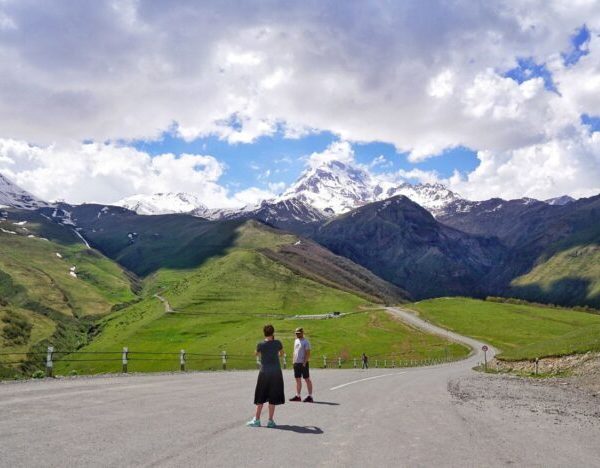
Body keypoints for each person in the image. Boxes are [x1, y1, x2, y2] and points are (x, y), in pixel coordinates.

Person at [247, 324, 285, 428]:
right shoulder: (278, 343)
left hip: (264, 373)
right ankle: (270, 421)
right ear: (273, 333)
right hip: (276, 372)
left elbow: (256, 354)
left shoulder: (261, 344)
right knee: (272, 396)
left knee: (261, 395)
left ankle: (257, 420)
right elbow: (281, 354)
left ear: (264, 333)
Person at [289, 327, 313, 403]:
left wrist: (304, 362)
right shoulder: (296, 341)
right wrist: (293, 361)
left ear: (302, 333)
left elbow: (308, 353)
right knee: (297, 379)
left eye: (298, 333)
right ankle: (298, 396)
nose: (297, 334)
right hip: (296, 363)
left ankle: (310, 396)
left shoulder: (306, 342)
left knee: (306, 379)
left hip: (303, 363)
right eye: (296, 333)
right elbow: (294, 352)